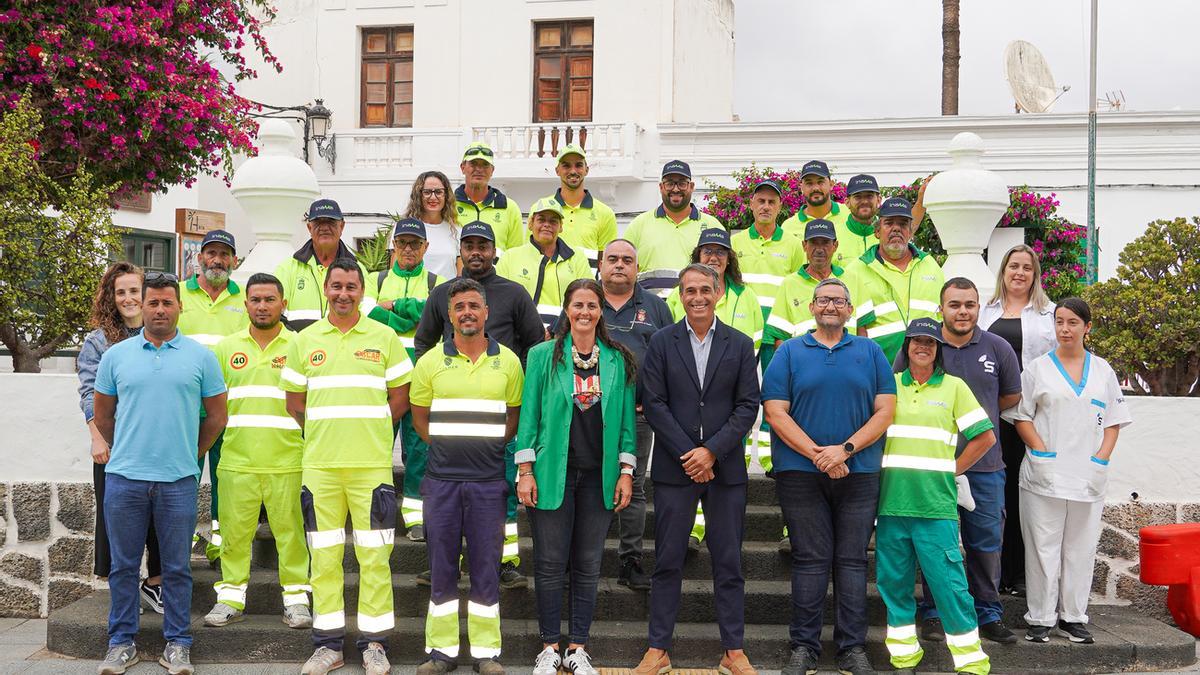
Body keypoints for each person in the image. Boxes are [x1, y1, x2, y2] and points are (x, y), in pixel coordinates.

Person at [92, 272, 227, 675]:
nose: (160, 309)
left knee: (177, 568)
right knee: (122, 566)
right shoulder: (116, 356)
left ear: (179, 306)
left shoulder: (201, 357)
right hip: (124, 478)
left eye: (168, 303)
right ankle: (121, 644)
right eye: (153, 303)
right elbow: (103, 415)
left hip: (178, 481)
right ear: (143, 306)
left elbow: (217, 416)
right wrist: (130, 450)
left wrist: (189, 452)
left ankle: (178, 644)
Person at [281, 259, 412, 675]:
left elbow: (401, 398)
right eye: (336, 286)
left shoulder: (385, 337)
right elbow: (294, 404)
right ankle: (328, 646)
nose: (343, 293)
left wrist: (369, 430)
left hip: (371, 468)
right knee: (324, 558)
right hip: (320, 469)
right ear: (326, 288)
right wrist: (326, 432)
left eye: (351, 286)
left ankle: (374, 644)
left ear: (362, 290)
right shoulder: (305, 341)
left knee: (375, 557)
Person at [762, 277, 896, 675]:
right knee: (809, 559)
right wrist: (819, 455)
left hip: (859, 471)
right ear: (811, 308)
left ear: (850, 310)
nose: (830, 306)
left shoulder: (870, 352)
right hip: (800, 473)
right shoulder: (788, 352)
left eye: (838, 300)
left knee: (852, 560)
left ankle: (851, 648)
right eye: (822, 300)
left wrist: (845, 450)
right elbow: (775, 412)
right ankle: (804, 647)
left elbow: (885, 411)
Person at [635, 263, 761, 675]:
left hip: (724, 472)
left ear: (719, 291)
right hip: (676, 470)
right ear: (680, 296)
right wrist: (692, 453)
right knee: (667, 561)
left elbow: (747, 406)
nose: (697, 297)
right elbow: (653, 403)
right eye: (689, 291)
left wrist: (712, 453)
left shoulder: (740, 344)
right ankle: (658, 649)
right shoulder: (661, 342)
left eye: (705, 289)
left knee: (729, 563)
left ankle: (733, 651)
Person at [516, 279, 638, 675]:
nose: (584, 312)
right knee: (550, 563)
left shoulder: (617, 358)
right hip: (553, 473)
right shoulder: (542, 356)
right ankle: (550, 647)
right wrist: (525, 470)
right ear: (566, 309)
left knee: (588, 565)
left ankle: (578, 647)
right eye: (577, 304)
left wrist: (626, 471)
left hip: (598, 476)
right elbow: (528, 417)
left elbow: (625, 424)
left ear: (601, 310)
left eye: (592, 305)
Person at [414, 221, 545, 587]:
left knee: (500, 496)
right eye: (469, 244)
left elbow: (535, 345)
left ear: (493, 251)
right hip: (451, 419)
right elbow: (424, 343)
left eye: (482, 245)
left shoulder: (514, 293)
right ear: (461, 252)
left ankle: (505, 561)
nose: (476, 251)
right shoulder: (441, 294)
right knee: (447, 505)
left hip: (499, 414)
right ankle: (447, 560)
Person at [895, 279, 1022, 645]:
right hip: (931, 468)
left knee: (984, 543)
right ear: (942, 309)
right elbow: (900, 389)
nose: (962, 311)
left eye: (969, 304)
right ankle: (934, 614)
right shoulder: (923, 346)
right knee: (936, 546)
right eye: (954, 304)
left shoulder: (998, 348)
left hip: (984, 467)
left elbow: (1007, 396)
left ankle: (989, 613)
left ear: (979, 308)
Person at [409, 278, 525, 675]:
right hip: (441, 481)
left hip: (489, 482)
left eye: (474, 305)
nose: (467, 313)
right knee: (441, 568)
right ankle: (440, 653)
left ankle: (485, 653)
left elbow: (513, 417)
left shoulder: (508, 361)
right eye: (459, 307)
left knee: (486, 568)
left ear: (486, 312)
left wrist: (488, 447)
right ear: (449, 314)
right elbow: (420, 419)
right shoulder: (428, 363)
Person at [1007, 298, 1131, 645]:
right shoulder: (1037, 369)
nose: (1064, 329)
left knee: (1080, 547)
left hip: (1087, 474)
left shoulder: (1103, 371)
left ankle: (1073, 618)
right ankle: (1041, 619)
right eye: (1059, 322)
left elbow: (1113, 422)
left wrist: (1100, 460)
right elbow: (1022, 416)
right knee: (1042, 546)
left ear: (1087, 327)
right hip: (1043, 472)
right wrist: (1041, 450)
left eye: (1073, 322)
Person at [877, 318, 995, 675]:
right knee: (894, 587)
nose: (923, 347)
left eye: (930, 342)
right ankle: (903, 658)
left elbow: (985, 437)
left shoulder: (955, 387)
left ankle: (971, 662)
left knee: (950, 587)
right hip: (891, 506)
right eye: (916, 341)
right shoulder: (889, 386)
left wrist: (953, 469)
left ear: (937, 348)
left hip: (935, 507)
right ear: (907, 346)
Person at [203, 273, 312, 630]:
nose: (262, 306)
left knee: (292, 534)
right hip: (237, 461)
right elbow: (212, 406)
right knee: (234, 534)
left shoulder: (301, 346)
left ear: (284, 304)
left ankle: (296, 599)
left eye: (269, 299)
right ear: (246, 304)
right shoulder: (225, 348)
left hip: (289, 461)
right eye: (255, 300)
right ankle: (230, 597)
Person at [77, 262, 163, 612]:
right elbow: (88, 395)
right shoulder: (99, 342)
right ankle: (123, 590)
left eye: (134, 291)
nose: (129, 298)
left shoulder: (162, 332)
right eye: (121, 292)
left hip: (156, 443)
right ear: (111, 298)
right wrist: (98, 440)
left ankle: (155, 584)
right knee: (116, 520)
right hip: (114, 447)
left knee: (159, 517)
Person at [590, 239, 674, 591]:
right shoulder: (584, 300)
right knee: (586, 485)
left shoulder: (655, 307)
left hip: (638, 416)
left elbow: (670, 361)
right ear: (601, 263)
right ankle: (583, 561)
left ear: (637, 268)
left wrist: (654, 402)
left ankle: (630, 560)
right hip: (586, 413)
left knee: (634, 487)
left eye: (627, 260)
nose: (620, 265)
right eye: (613, 259)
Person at [979, 244, 1057, 597]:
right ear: (1004, 271)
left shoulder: (1049, 314)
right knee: (998, 493)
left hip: (1030, 416)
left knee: (1027, 494)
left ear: (1035, 274)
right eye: (1014, 266)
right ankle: (995, 573)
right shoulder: (985, 311)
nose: (1020, 273)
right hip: (992, 414)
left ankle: (1022, 574)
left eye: (1027, 267)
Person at [367, 217, 449, 540]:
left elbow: (436, 312)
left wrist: (393, 308)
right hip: (380, 375)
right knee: (377, 444)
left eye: (416, 243)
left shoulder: (437, 281)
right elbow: (368, 314)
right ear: (394, 247)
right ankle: (379, 511)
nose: (409, 249)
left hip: (421, 376)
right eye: (403, 243)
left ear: (426, 247)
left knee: (418, 448)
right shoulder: (375, 279)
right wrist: (416, 312)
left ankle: (415, 517)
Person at [177, 229, 248, 566]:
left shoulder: (244, 299)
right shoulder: (178, 295)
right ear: (200, 258)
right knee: (184, 474)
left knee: (225, 477)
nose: (217, 260)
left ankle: (220, 545)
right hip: (185, 407)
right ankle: (180, 536)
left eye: (224, 254)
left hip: (226, 406)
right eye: (211, 253)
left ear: (234, 260)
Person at [852, 197, 945, 363]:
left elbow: (942, 318)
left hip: (925, 369)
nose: (896, 229)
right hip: (878, 368)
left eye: (902, 224)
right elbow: (852, 326)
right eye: (889, 223)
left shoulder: (929, 265)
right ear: (877, 231)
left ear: (910, 231)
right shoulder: (856, 269)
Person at [765, 219, 875, 343]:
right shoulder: (789, 284)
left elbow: (862, 329)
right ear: (804, 246)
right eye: (813, 243)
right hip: (804, 361)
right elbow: (780, 336)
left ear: (835, 246)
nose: (819, 249)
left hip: (846, 360)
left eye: (825, 243)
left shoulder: (853, 280)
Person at [623, 160, 723, 296]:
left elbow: (723, 273)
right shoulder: (638, 225)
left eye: (682, 183)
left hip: (695, 307)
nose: (676, 189)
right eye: (670, 183)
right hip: (650, 310)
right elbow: (625, 269)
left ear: (691, 186)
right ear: (661, 187)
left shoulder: (712, 226)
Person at [274, 198, 375, 331]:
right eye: (318, 223)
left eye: (331, 222)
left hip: (343, 349)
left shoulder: (358, 270)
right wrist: (298, 343)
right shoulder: (287, 269)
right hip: (299, 349)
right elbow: (274, 314)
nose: (325, 228)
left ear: (342, 227)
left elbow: (367, 315)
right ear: (309, 227)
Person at [496, 197, 592, 329]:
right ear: (530, 224)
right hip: (521, 336)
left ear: (561, 227)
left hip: (565, 334)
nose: (547, 225)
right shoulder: (509, 257)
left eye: (553, 221)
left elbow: (587, 297)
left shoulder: (577, 258)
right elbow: (501, 302)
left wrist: (555, 330)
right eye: (541, 220)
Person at [729, 179, 806, 330]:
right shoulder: (734, 242)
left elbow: (799, 287)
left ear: (779, 207)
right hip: (743, 325)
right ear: (752, 204)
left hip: (778, 328)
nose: (766, 207)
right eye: (761, 201)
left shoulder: (794, 244)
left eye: (771, 202)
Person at [548, 143, 618, 270]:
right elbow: (532, 254)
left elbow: (607, 261)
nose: (573, 171)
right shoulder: (541, 209)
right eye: (566, 165)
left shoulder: (605, 213)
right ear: (557, 170)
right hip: (549, 287)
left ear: (587, 169)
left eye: (579, 165)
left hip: (587, 287)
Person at [454, 141, 524, 255]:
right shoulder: (448, 204)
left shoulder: (509, 207)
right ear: (462, 167)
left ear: (492, 170)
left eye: (485, 165)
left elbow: (515, 255)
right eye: (473, 163)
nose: (479, 169)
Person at [779, 161, 854, 262]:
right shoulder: (788, 227)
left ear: (831, 184)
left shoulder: (849, 215)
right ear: (801, 188)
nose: (815, 188)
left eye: (820, 182)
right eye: (809, 183)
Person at [402, 170, 460, 278]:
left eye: (438, 192)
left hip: (447, 293)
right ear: (419, 195)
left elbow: (461, 276)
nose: (433, 197)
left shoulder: (457, 231)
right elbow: (395, 273)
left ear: (446, 195)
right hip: (415, 293)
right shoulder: (404, 229)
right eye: (427, 192)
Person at [838, 174, 883, 263]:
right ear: (847, 202)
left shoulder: (888, 235)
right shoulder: (834, 236)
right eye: (858, 197)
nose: (864, 201)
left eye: (869, 196)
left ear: (878, 200)